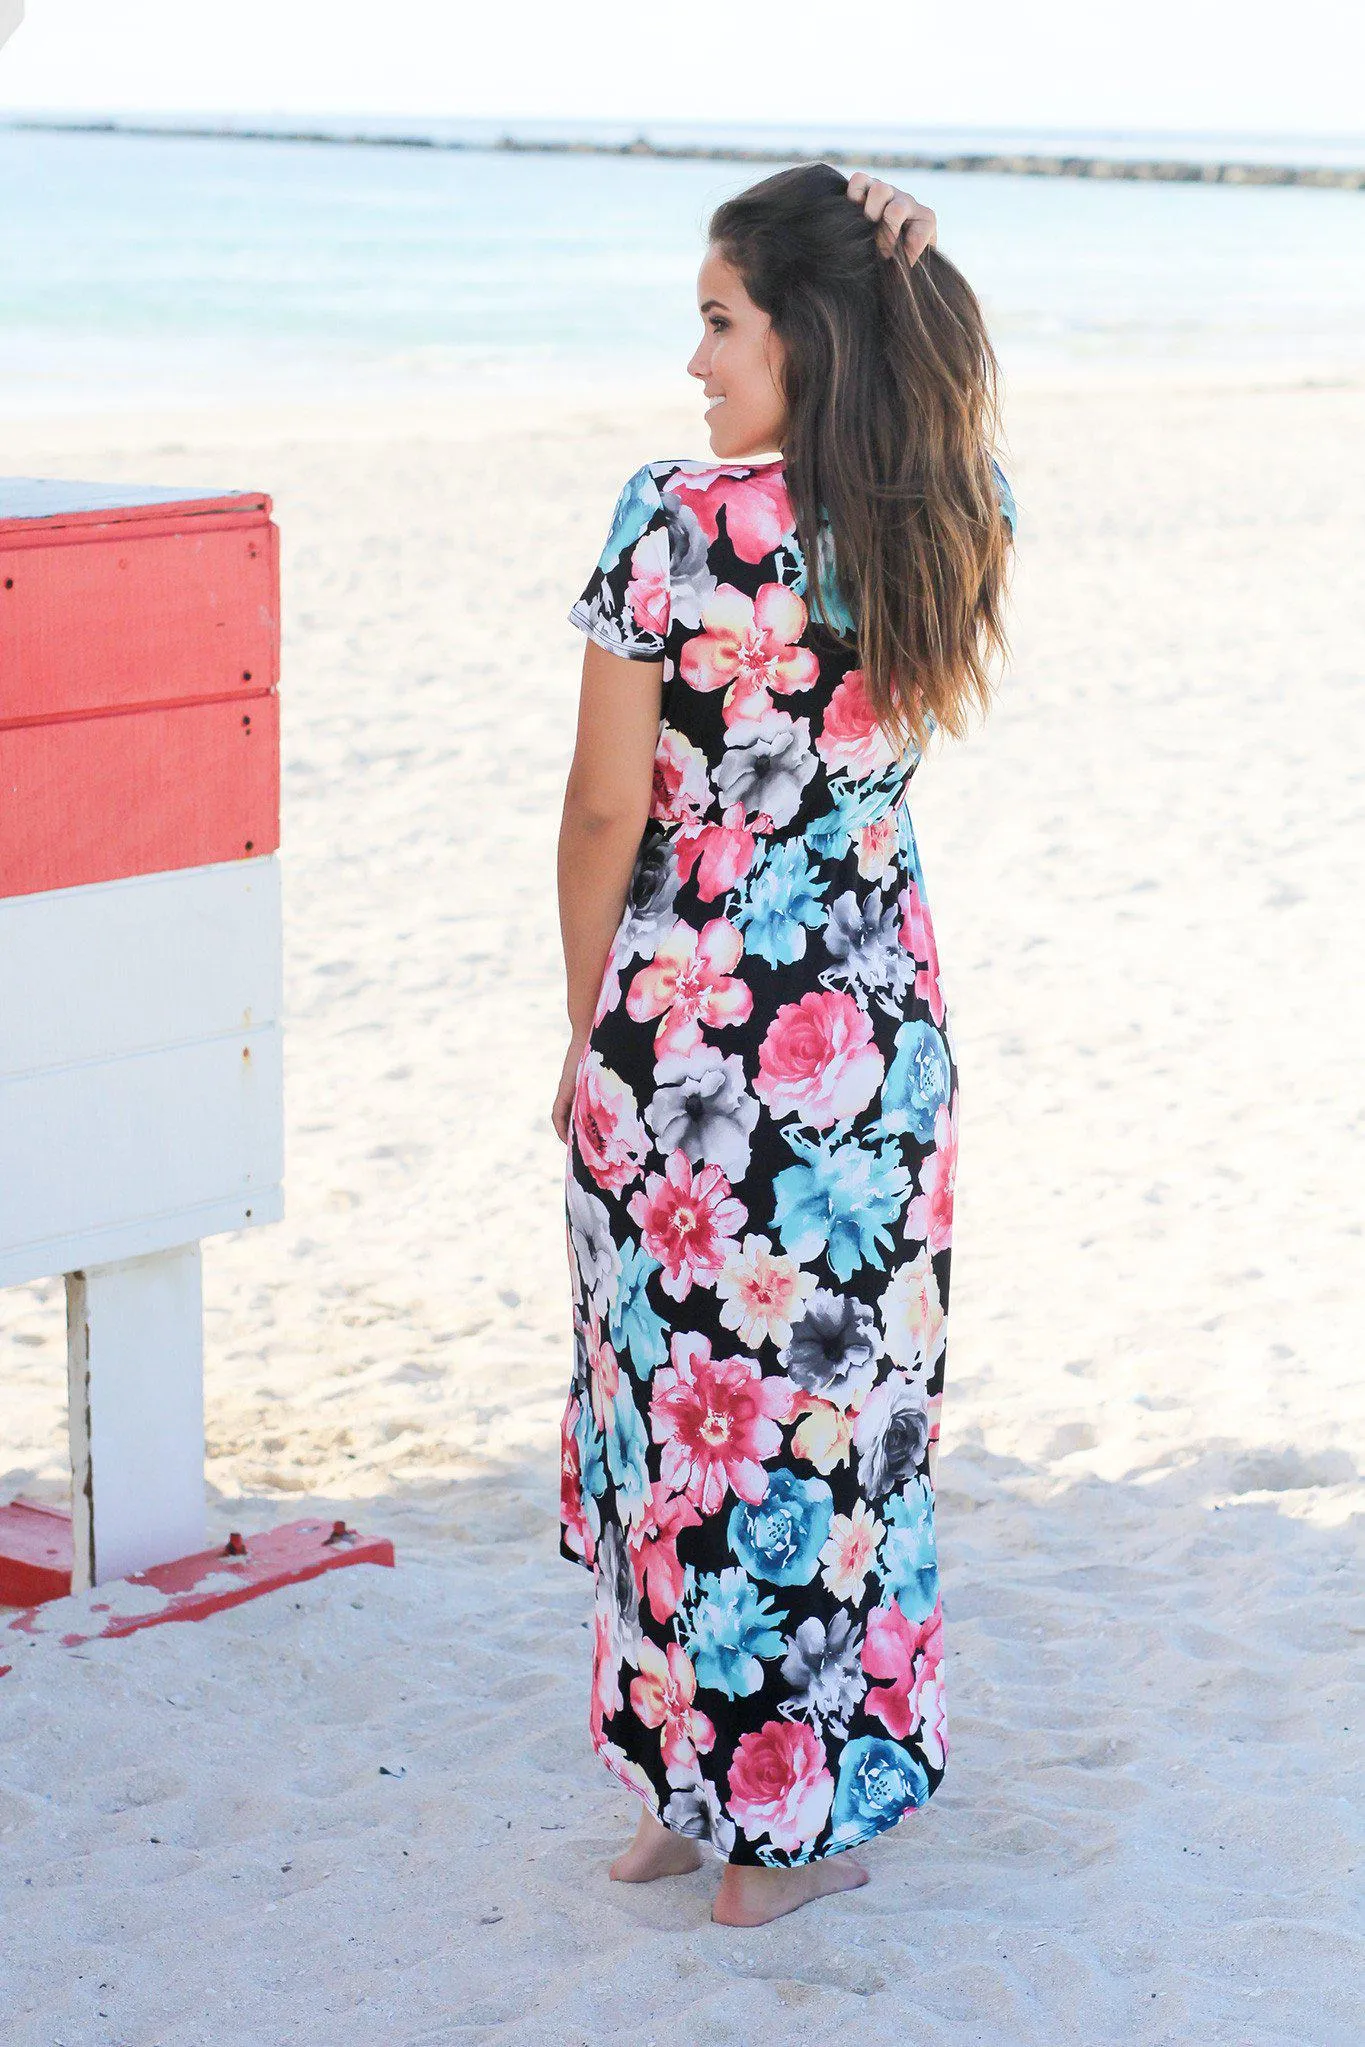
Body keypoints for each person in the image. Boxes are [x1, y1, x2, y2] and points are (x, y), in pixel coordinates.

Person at [551, 164, 1014, 1927]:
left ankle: (705, 1806)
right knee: (830, 1423)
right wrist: (921, 259)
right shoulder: (944, 514)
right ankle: (761, 1822)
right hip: (871, 1047)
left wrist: (590, 1028)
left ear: (805, 334)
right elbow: (958, 416)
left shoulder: (667, 522)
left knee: (679, 1410)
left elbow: (604, 814)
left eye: (723, 317)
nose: (692, 360)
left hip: (682, 1036)